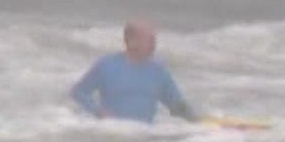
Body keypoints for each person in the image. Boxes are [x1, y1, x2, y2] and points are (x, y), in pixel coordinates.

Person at [69, 21, 201, 125]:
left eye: (154, 40)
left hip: (142, 140)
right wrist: (98, 112)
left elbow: (177, 106)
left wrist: (199, 122)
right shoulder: (106, 65)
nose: (154, 45)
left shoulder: (159, 71)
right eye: (149, 40)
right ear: (131, 42)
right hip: (111, 133)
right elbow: (79, 92)